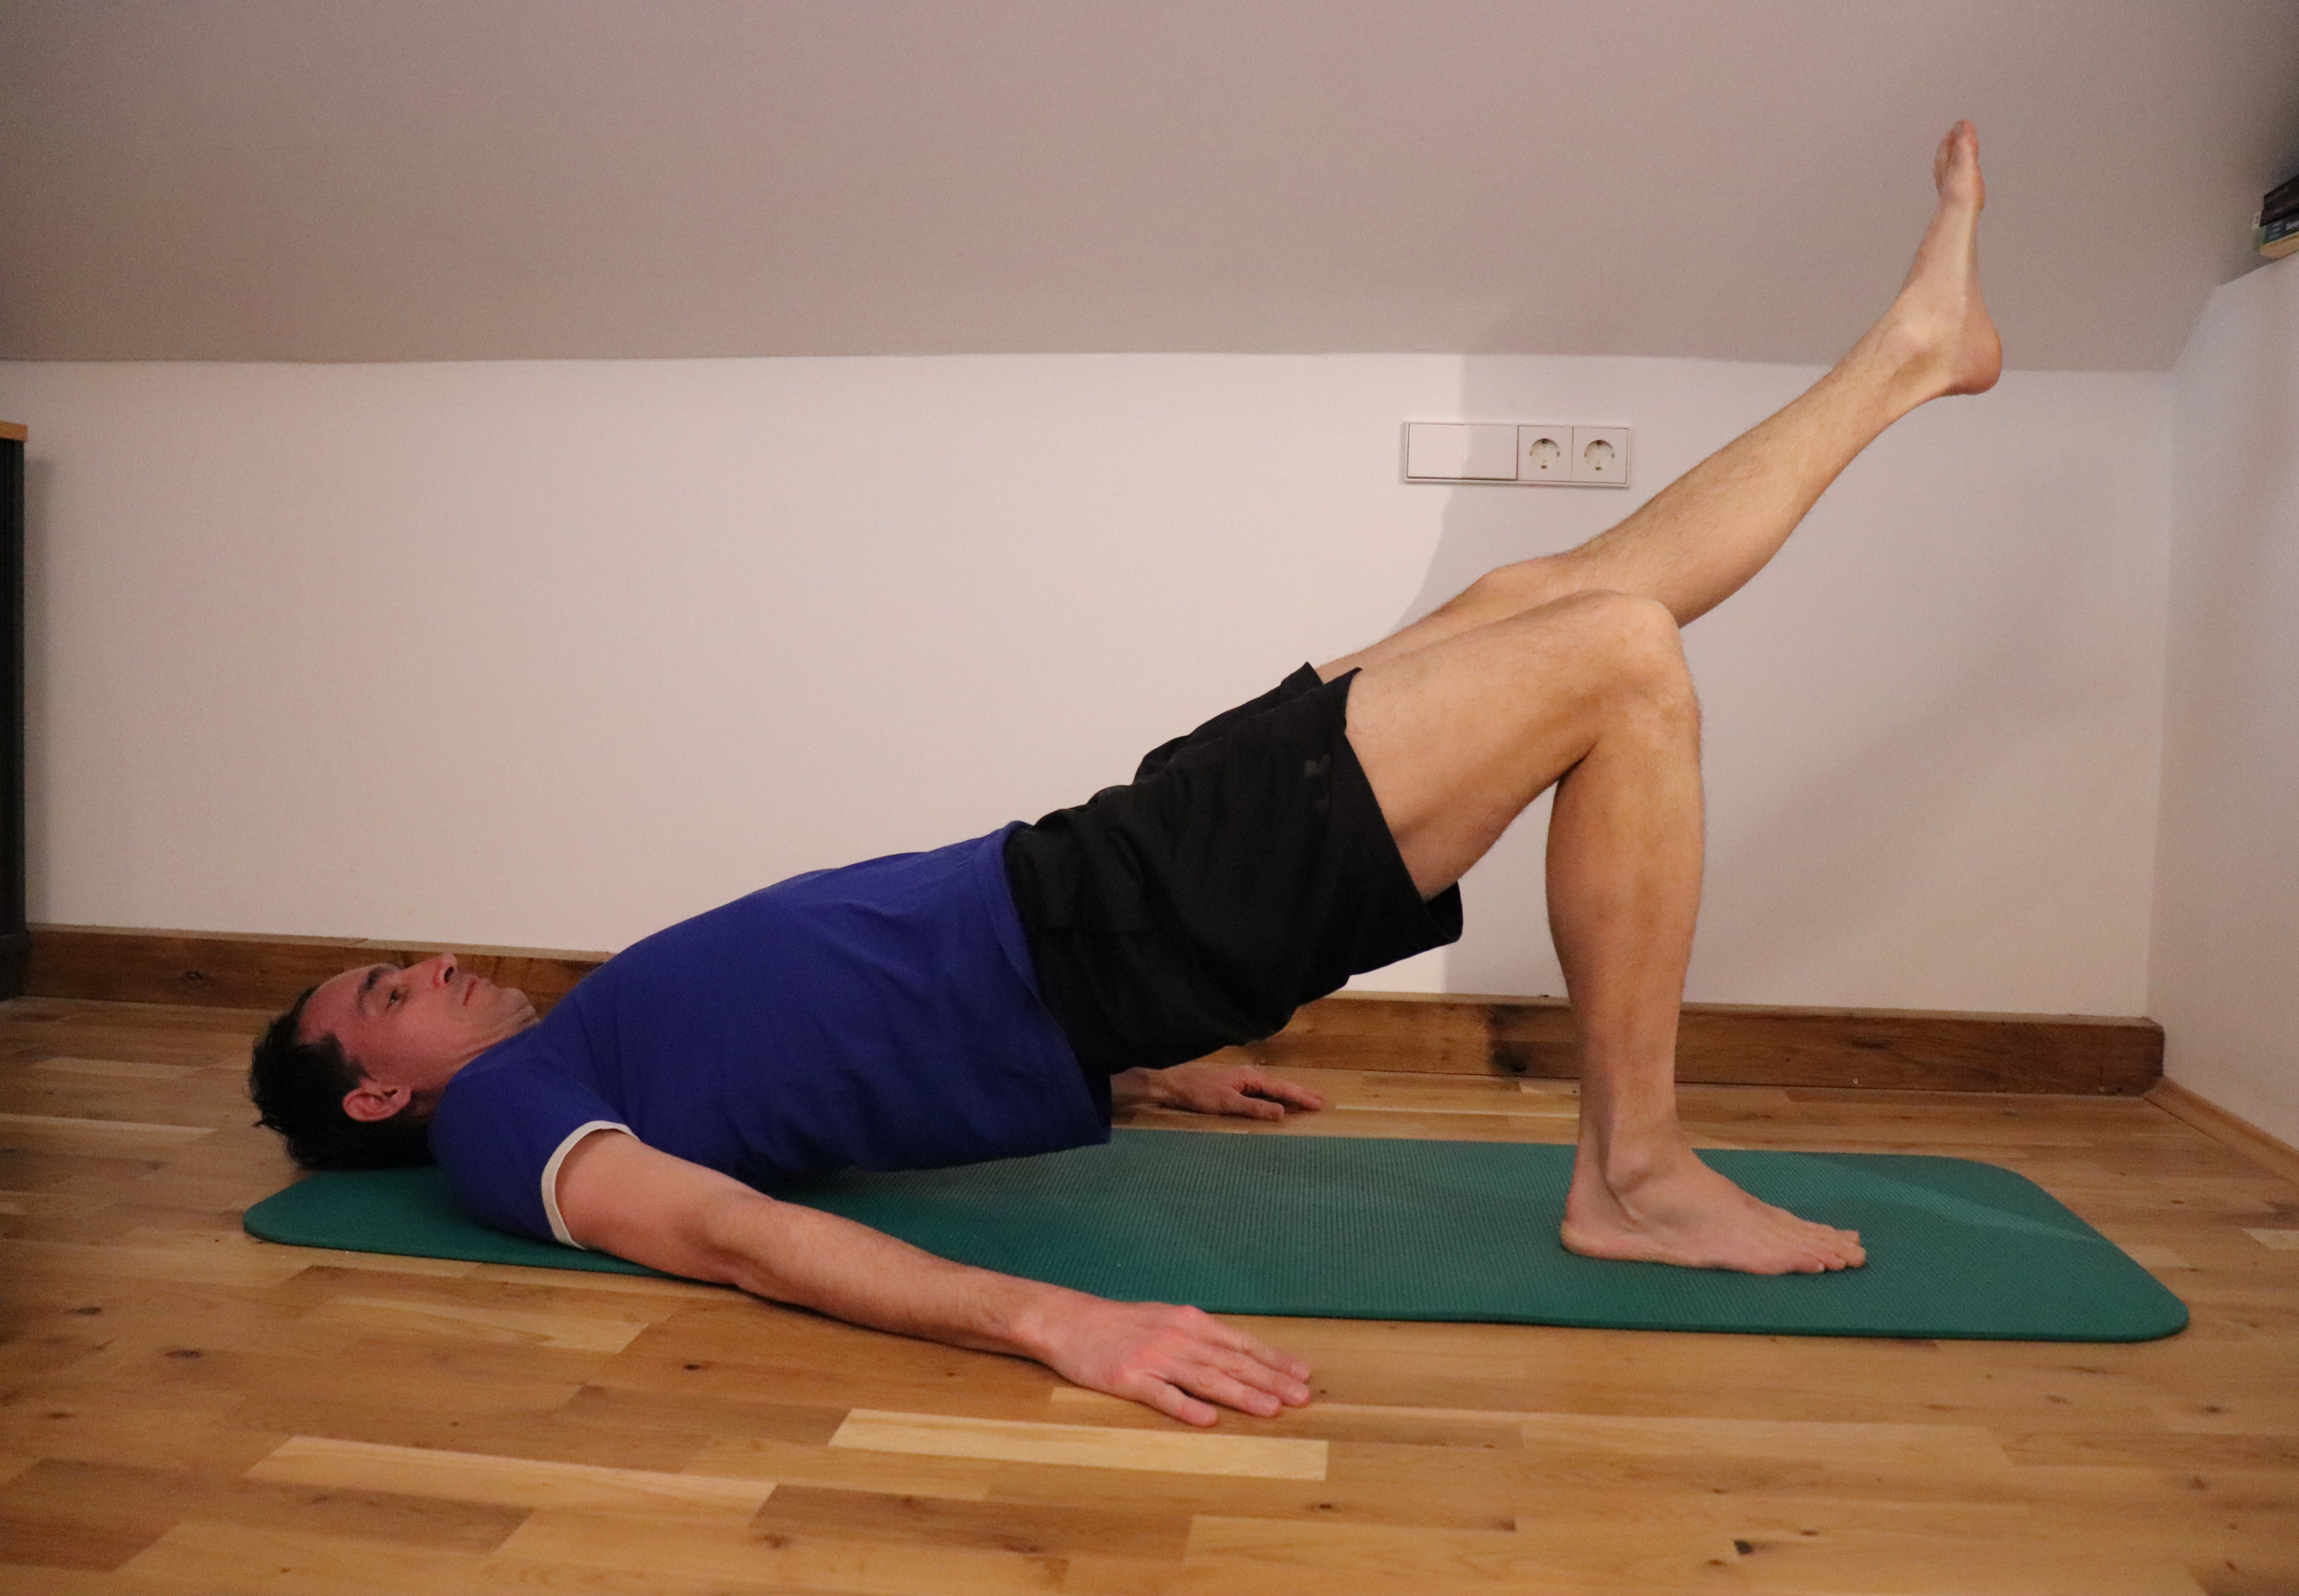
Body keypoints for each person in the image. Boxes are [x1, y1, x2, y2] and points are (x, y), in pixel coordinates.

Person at [251, 123, 2001, 1428]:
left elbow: (831, 1073)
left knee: (1532, 600)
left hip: (1098, 891)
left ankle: (1910, 360)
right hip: (1121, 921)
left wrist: (1149, 1070)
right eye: (387, 995)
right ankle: (1635, 1171)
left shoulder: (578, 1051)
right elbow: (736, 1238)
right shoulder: (509, 1126)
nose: (429, 965)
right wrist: (1052, 1322)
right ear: (382, 1099)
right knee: (1617, 655)